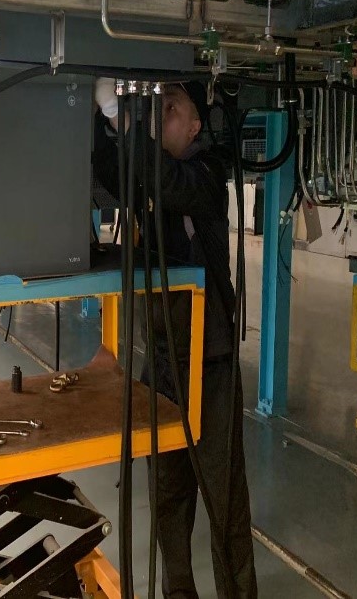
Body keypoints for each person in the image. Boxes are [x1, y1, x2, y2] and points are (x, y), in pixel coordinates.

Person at [92, 79, 257, 599]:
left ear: (195, 125)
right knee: (167, 499)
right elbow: (110, 170)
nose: (160, 112)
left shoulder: (205, 175)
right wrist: (96, 113)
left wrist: (120, 115)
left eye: (172, 107)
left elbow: (167, 182)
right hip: (161, 364)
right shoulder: (150, 176)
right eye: (156, 106)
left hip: (210, 366)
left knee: (223, 501)